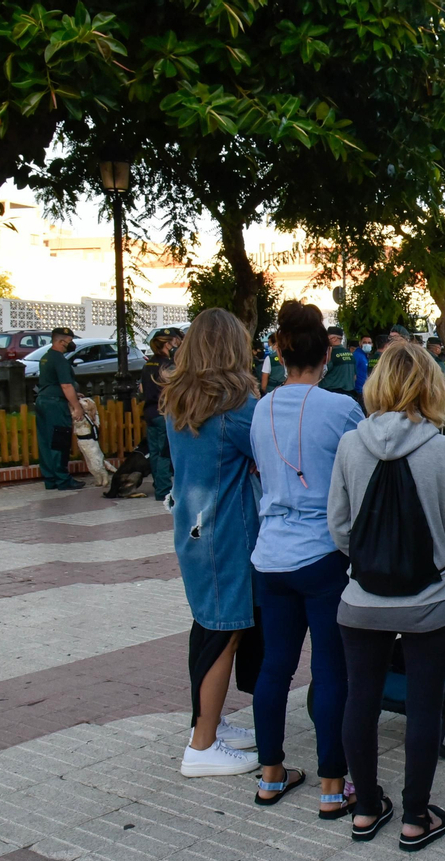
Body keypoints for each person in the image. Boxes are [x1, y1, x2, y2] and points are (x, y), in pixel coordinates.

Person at [327, 341, 445, 852]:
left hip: (362, 598)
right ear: (432, 386)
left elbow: (339, 527)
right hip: (430, 600)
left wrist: (372, 560)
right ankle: (416, 818)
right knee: (424, 704)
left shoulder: (350, 445)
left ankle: (366, 807)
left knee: (360, 699)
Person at [248, 302, 364, 818]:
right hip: (323, 554)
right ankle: (332, 784)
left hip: (270, 555)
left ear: (280, 350)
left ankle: (271, 774)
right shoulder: (341, 409)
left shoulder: (260, 407)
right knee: (330, 666)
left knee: (276, 664)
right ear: (327, 351)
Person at [159, 308, 262, 779]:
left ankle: (210, 722)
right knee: (226, 629)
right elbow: (268, 450)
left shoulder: (179, 399)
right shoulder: (237, 406)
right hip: (227, 532)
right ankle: (202, 747)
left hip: (194, 527)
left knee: (207, 627)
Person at [35, 326, 85, 490]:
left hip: (43, 401)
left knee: (46, 442)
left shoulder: (46, 357)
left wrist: (73, 395)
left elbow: (52, 382)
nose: (71, 344)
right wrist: (77, 407)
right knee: (59, 441)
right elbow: (66, 386)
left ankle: (50, 479)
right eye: (70, 341)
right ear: (61, 341)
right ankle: (63, 480)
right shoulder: (59, 359)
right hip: (56, 404)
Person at [140, 332, 176, 500]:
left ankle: (158, 485)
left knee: (154, 453)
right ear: (167, 344)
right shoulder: (168, 365)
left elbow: (141, 389)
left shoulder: (148, 364)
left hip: (149, 412)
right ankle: (164, 490)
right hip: (163, 413)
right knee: (164, 453)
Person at [319, 326, 358, 399]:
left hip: (330, 394)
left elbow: (321, 373)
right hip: (349, 395)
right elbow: (354, 377)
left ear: (334, 338)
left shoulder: (329, 354)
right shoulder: (350, 354)